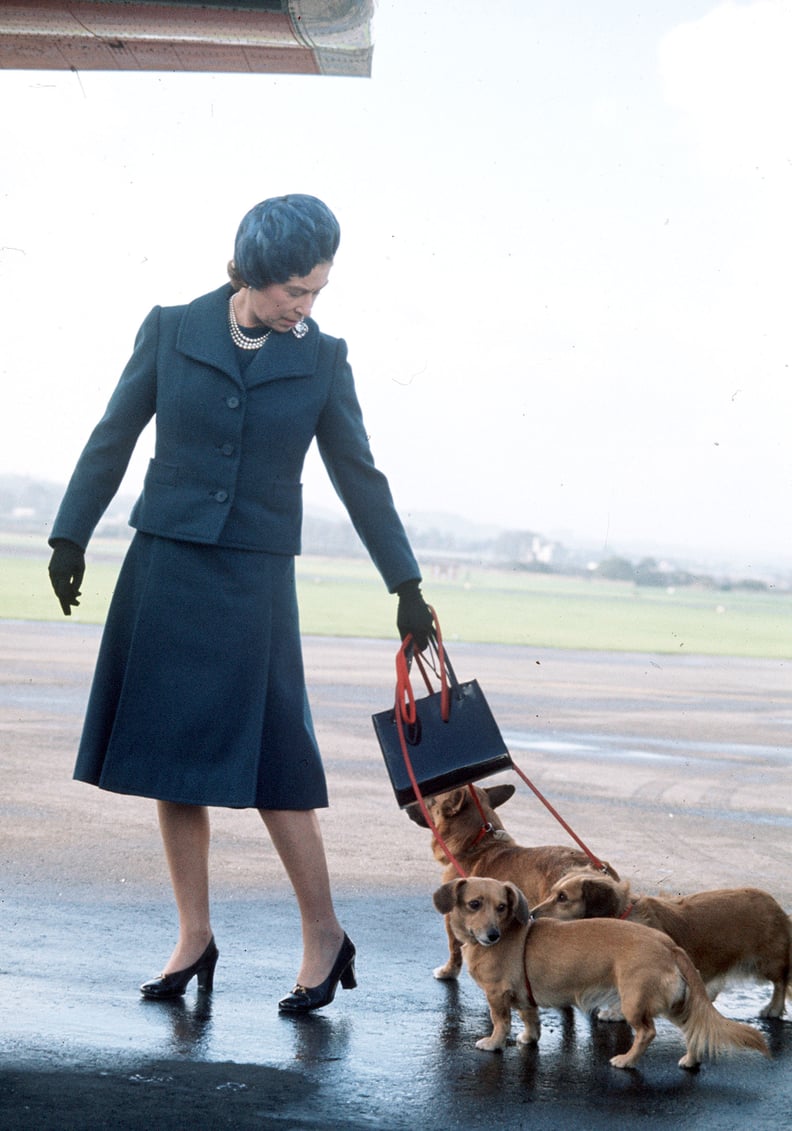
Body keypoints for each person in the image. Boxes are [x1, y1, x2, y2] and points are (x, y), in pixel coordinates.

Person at [47, 194, 435, 1013]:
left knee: (276, 765)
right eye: (296, 290)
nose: (307, 305)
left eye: (317, 292)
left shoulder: (323, 360)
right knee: (169, 757)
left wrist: (405, 583)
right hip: (167, 564)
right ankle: (194, 935)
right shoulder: (170, 328)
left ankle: (324, 934)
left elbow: (359, 474)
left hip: (255, 579)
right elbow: (112, 434)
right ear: (251, 273)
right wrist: (69, 534)